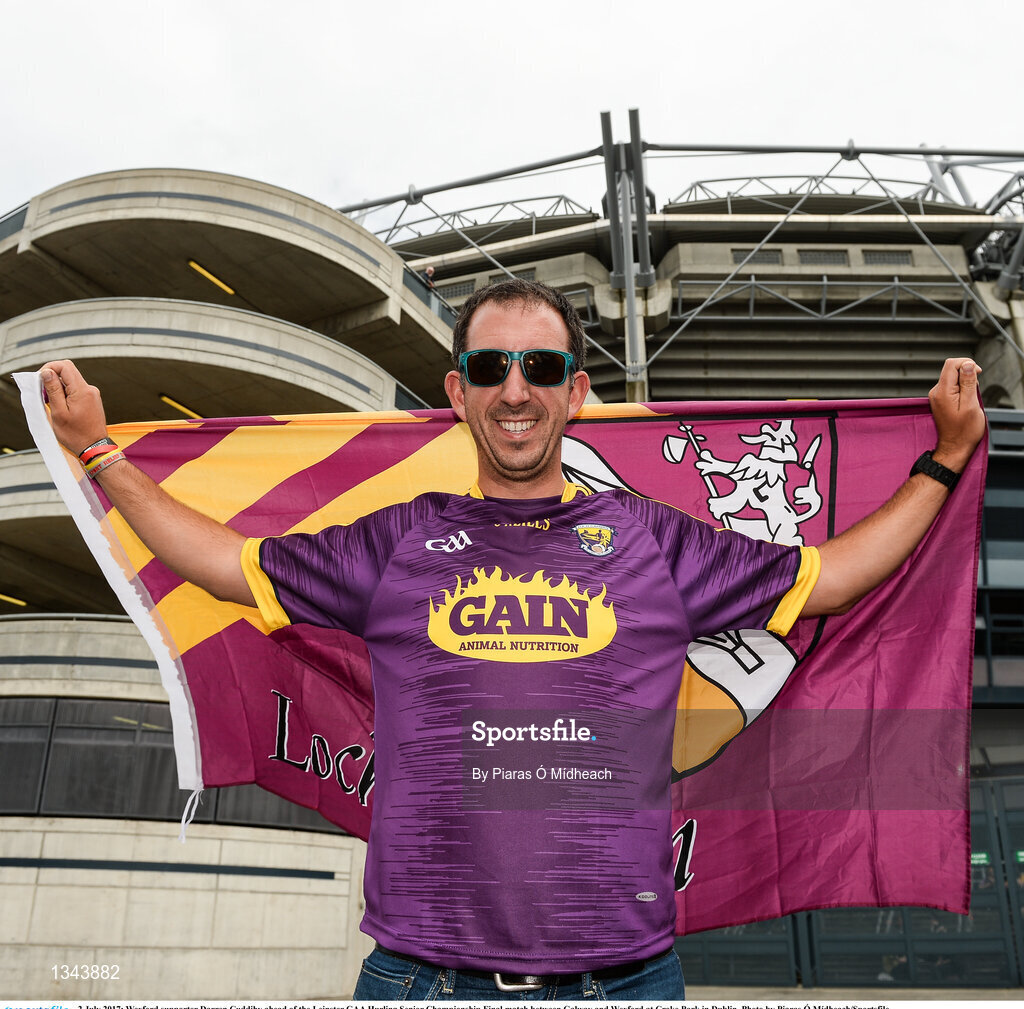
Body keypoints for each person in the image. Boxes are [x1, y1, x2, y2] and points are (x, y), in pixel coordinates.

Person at [39, 279, 985, 1001]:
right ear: (459, 391)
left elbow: (832, 576)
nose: (515, 389)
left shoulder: (654, 538)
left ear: (576, 393)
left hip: (627, 979)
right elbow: (228, 565)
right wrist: (100, 453)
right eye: (491, 368)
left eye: (539, 368)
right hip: (424, 979)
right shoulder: (400, 537)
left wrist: (942, 461)